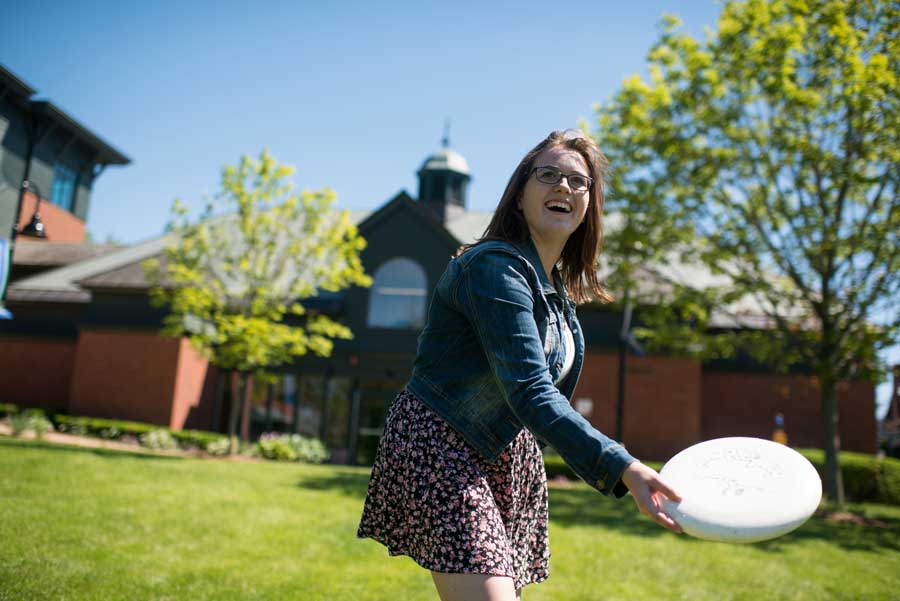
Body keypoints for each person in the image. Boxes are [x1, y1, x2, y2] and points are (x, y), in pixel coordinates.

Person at [358, 129, 682, 601]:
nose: (564, 187)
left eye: (578, 181)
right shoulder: (495, 268)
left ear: (590, 204)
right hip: (443, 444)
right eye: (548, 175)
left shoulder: (558, 297)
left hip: (510, 457)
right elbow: (531, 390)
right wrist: (623, 465)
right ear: (519, 194)